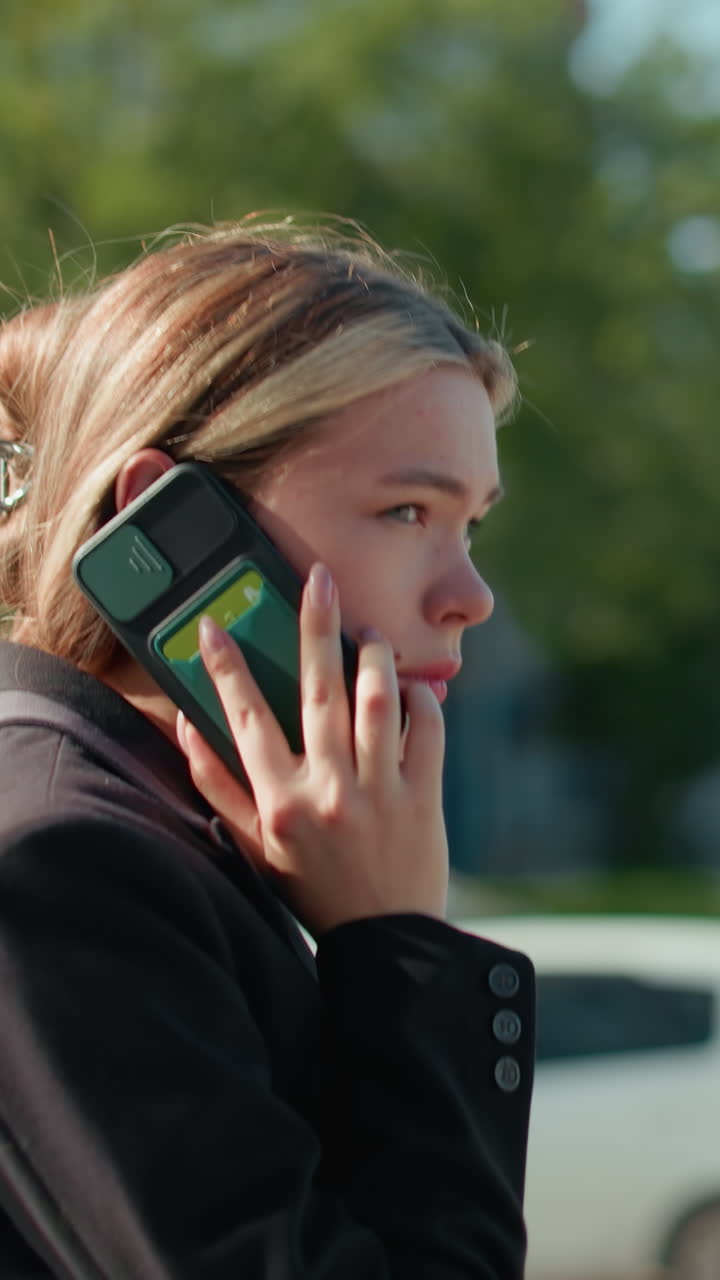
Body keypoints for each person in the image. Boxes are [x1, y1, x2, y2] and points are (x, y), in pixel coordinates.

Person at [0, 219, 535, 1279]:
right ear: (163, 515)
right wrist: (398, 944)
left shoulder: (154, 833)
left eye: (469, 524)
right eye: (406, 509)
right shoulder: (58, 865)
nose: (469, 597)